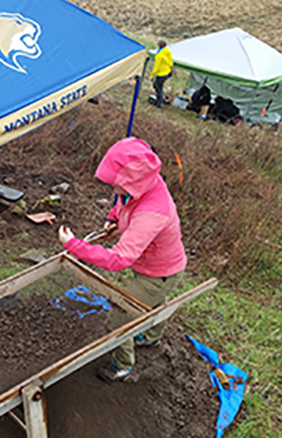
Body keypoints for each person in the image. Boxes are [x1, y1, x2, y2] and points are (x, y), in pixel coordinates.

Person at [58, 137, 187, 382]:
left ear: (132, 180)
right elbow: (123, 202)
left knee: (119, 318)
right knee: (154, 302)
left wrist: (74, 245)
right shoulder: (141, 185)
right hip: (155, 266)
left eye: (116, 185)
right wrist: (114, 218)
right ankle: (151, 335)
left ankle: (122, 365)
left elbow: (119, 259)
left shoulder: (153, 211)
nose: (113, 190)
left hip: (160, 272)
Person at [150, 40, 173, 109]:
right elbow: (171, 63)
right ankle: (162, 99)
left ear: (159, 46)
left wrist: (152, 75)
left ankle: (160, 103)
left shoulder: (159, 55)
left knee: (158, 88)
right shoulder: (167, 52)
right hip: (168, 72)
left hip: (161, 74)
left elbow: (157, 67)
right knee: (158, 86)